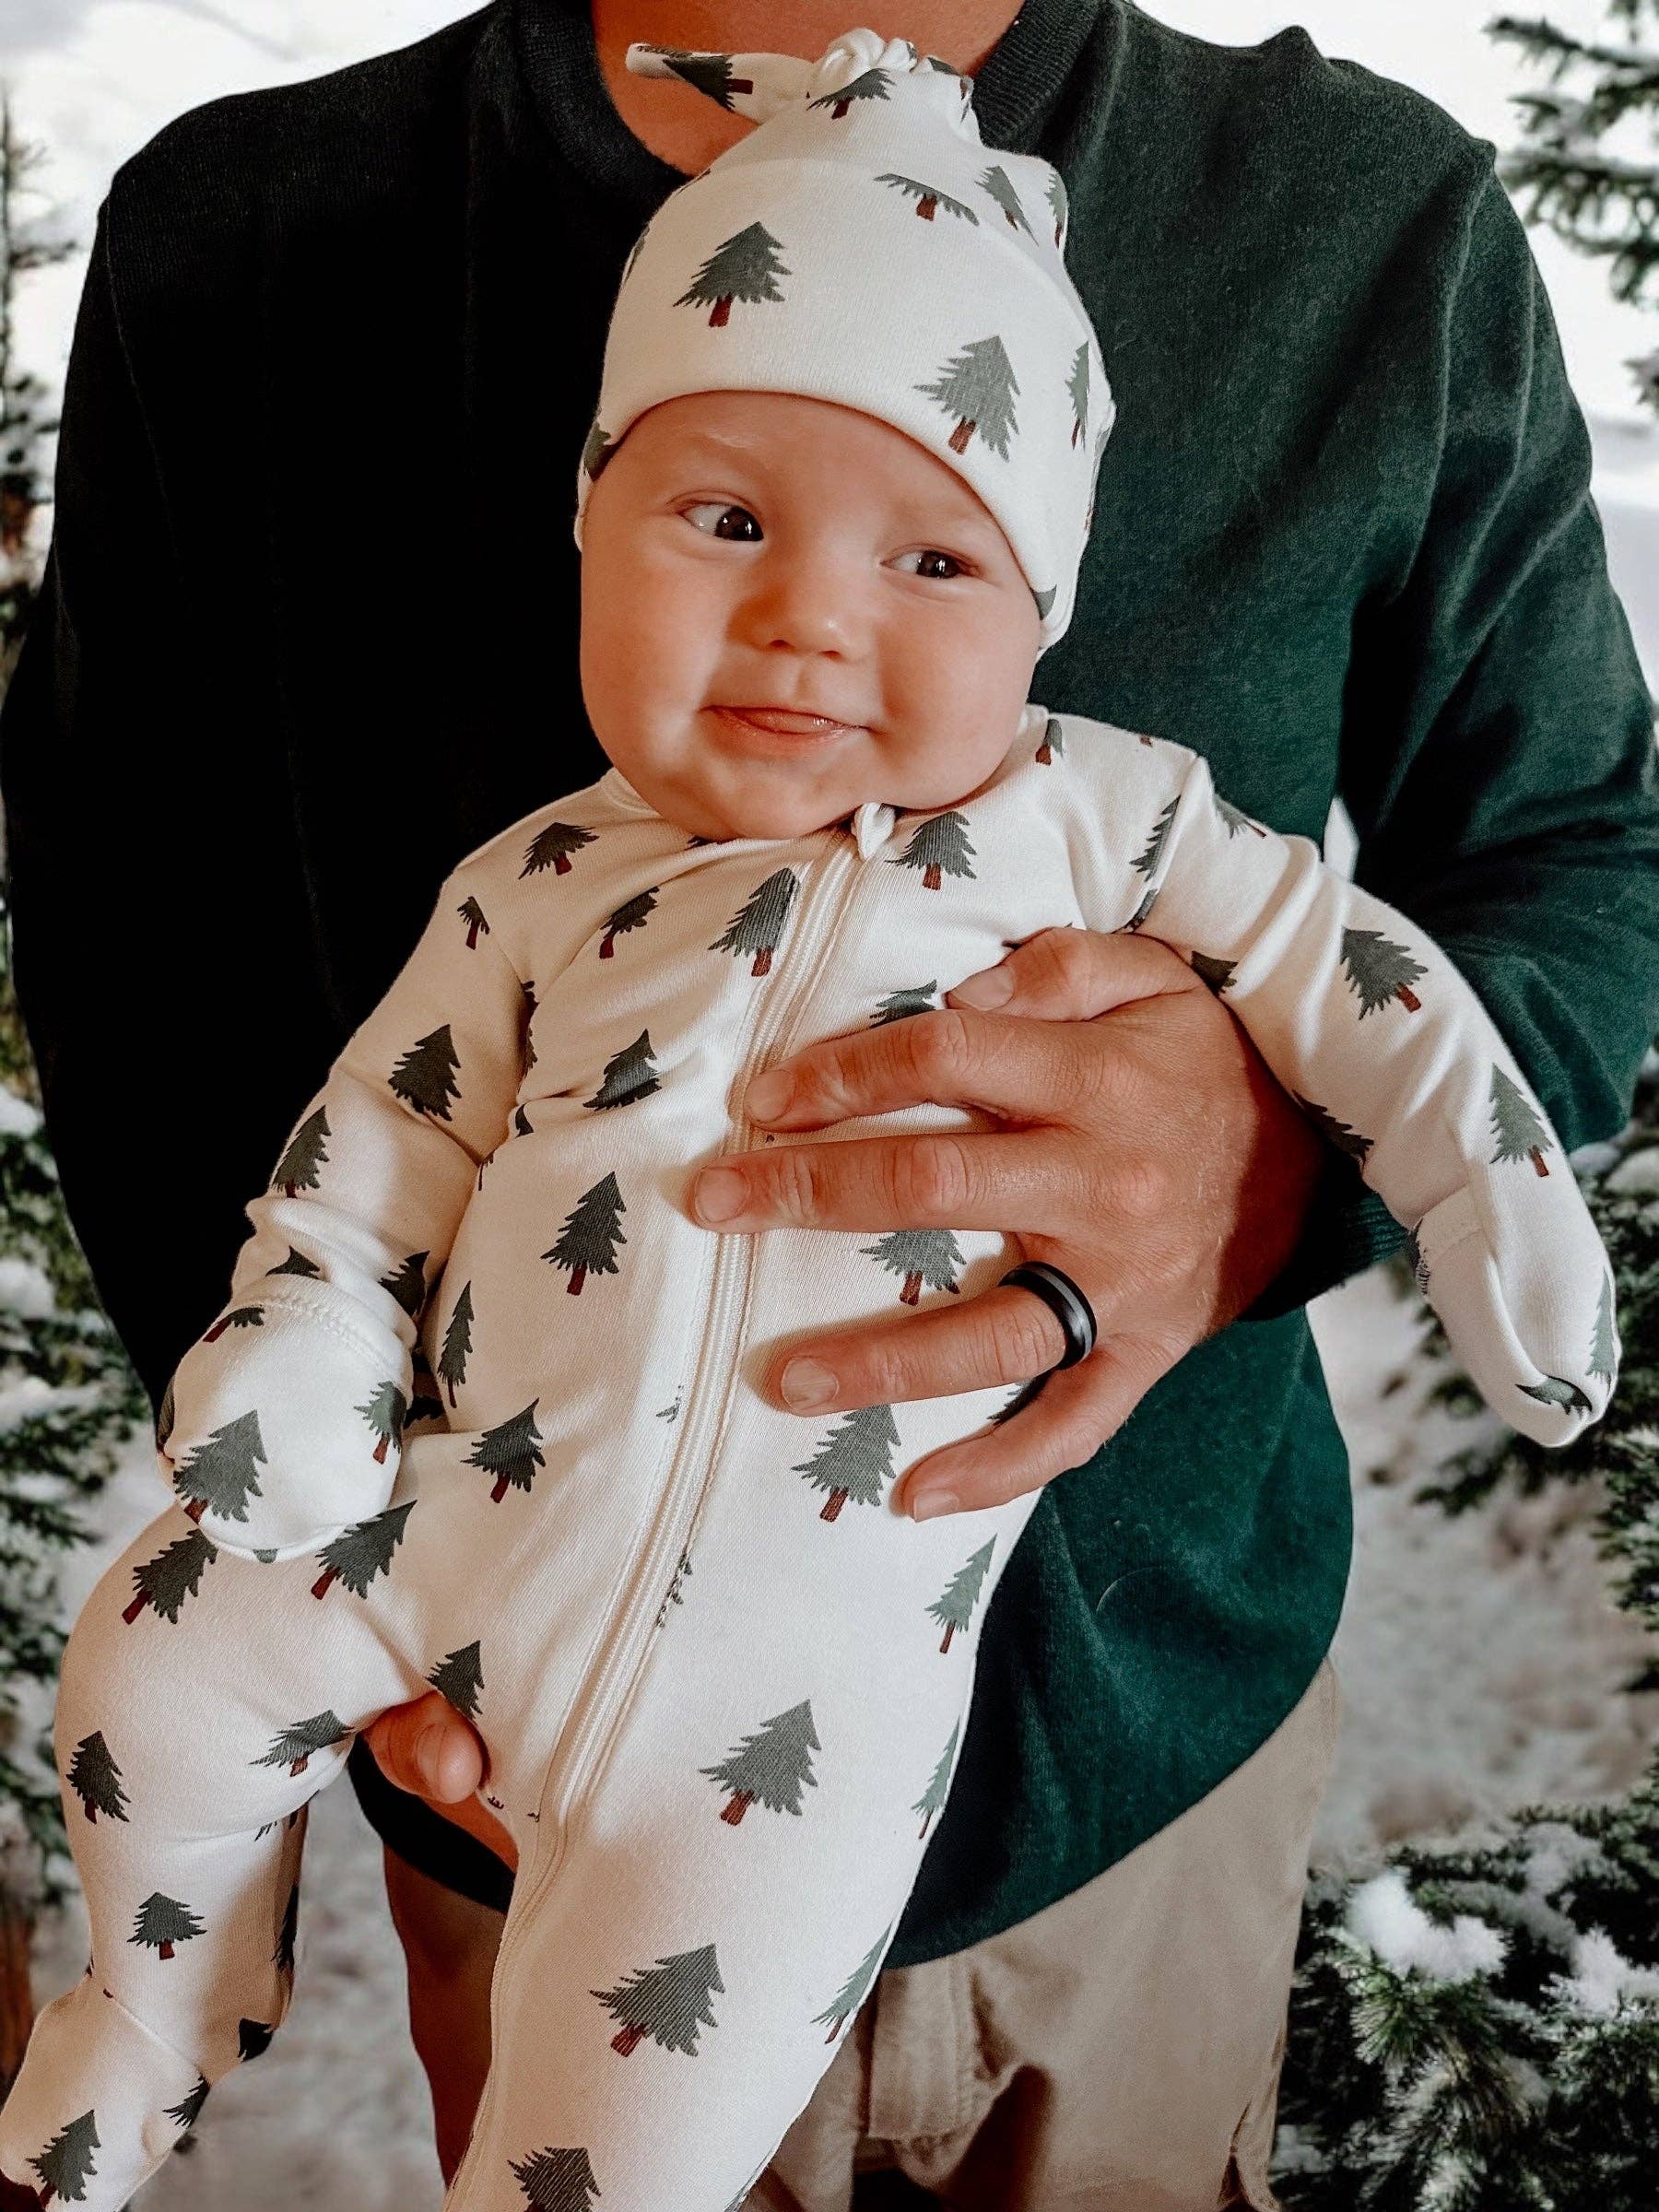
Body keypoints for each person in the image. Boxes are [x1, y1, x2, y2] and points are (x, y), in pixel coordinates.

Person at [0, 3, 1653, 2205]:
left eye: (935, 561)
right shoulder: (244, 240)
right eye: (717, 522)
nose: (803, 625)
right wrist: (297, 1450)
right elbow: (140, 960)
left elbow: (1575, 860)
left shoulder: (1363, 228)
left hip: (1144, 1783)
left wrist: (1275, 1177)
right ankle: (153, 2011)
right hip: (475, 1702)